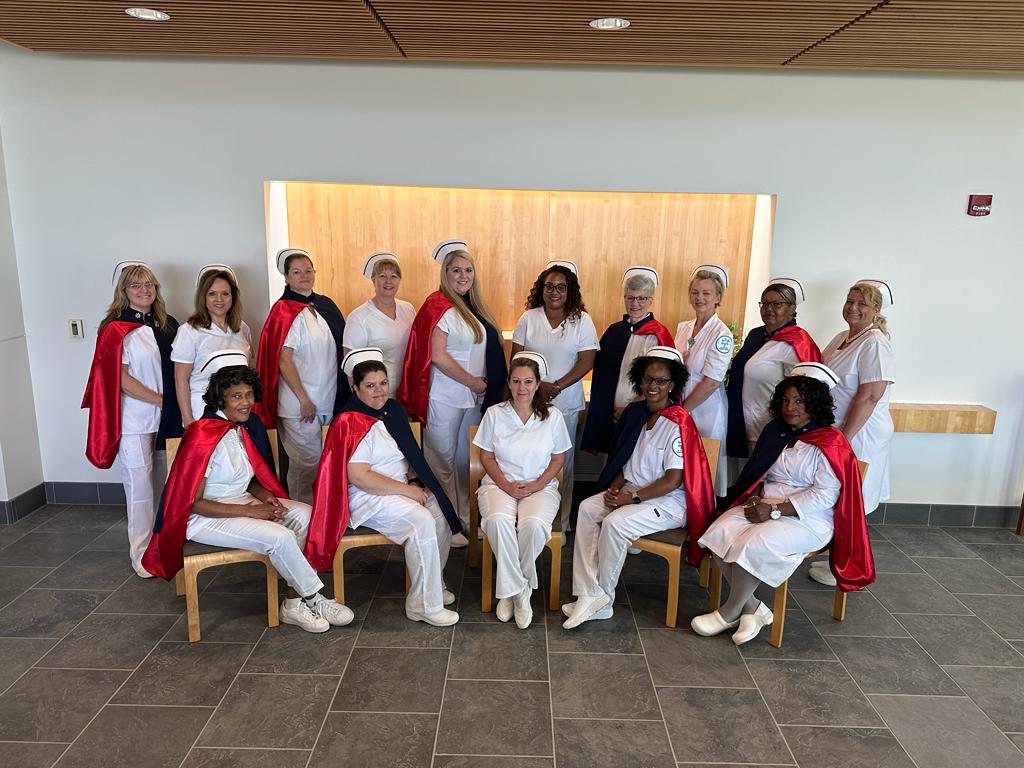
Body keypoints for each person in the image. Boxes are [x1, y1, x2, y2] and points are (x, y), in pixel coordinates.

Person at [141, 355, 354, 633]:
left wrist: (264, 495)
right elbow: (193, 503)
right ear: (221, 400)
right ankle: (315, 598)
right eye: (236, 396)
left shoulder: (241, 427)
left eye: (249, 394)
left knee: (305, 514)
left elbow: (247, 479)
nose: (245, 402)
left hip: (241, 500)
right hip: (205, 517)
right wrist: (253, 512)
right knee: (281, 536)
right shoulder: (202, 435)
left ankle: (292, 605)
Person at [693, 364, 875, 645]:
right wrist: (757, 495)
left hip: (811, 517)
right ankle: (752, 608)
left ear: (814, 404)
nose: (790, 407)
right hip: (767, 505)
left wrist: (776, 510)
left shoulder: (830, 442)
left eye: (799, 401)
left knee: (753, 543)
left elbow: (825, 495)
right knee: (719, 531)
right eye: (786, 400)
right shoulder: (777, 433)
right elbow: (762, 473)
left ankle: (728, 612)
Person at [564, 347, 715, 629]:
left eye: (660, 381)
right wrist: (615, 488)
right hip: (631, 490)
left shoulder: (677, 422)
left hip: (667, 500)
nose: (652, 386)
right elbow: (624, 459)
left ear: (673, 384)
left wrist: (630, 498)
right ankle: (588, 592)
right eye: (647, 379)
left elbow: (673, 480)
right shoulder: (636, 413)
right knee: (586, 508)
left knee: (615, 524)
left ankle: (604, 599)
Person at [309, 348, 462, 626]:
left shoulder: (392, 410)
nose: (379, 391)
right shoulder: (349, 421)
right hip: (367, 496)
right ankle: (423, 606)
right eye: (370, 386)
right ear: (355, 388)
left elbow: (408, 453)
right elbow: (359, 476)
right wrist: (408, 491)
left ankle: (432, 585)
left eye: (383, 383)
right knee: (421, 521)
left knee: (439, 513)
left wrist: (416, 482)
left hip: (399, 488)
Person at [397, 239, 507, 547]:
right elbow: (438, 355)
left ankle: (466, 517)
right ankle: (446, 524)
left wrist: (478, 386)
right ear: (445, 273)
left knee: (463, 461)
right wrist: (472, 380)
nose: (462, 275)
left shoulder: (474, 308)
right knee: (441, 462)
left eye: (468, 270)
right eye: (456, 270)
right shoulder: (438, 304)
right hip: (444, 397)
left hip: (472, 399)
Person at [82, 261, 182, 578]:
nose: (144, 290)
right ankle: (140, 555)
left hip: (167, 419)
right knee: (140, 488)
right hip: (136, 421)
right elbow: (118, 378)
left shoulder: (168, 325)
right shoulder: (115, 329)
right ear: (124, 292)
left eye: (149, 284)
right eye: (137, 285)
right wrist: (159, 399)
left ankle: (163, 545)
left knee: (165, 484)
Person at [475, 353, 572, 629]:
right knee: (496, 521)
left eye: (528, 381)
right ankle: (518, 590)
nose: (522, 388)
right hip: (498, 484)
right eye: (516, 381)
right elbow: (486, 457)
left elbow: (558, 459)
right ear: (508, 382)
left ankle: (512, 590)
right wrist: (506, 485)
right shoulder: (495, 414)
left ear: (538, 383)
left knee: (532, 524)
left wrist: (537, 485)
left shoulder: (552, 416)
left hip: (540, 487)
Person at [810, 280, 894, 586]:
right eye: (850, 301)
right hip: (836, 430)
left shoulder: (874, 343)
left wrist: (845, 436)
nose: (853, 308)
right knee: (837, 495)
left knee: (855, 499)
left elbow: (870, 395)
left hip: (860, 433)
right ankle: (839, 559)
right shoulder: (842, 337)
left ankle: (849, 566)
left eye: (862, 303)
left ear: (875, 310)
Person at [254, 248, 349, 504]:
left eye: (308, 270)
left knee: (326, 463)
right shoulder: (284, 310)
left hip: (328, 398)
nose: (304, 275)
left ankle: (324, 518)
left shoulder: (325, 305)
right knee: (306, 466)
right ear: (286, 277)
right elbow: (283, 359)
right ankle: (302, 521)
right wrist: (303, 399)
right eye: (296, 272)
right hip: (299, 405)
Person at [510, 261, 599, 530]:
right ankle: (530, 516)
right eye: (549, 286)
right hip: (529, 400)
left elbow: (586, 361)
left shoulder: (582, 320)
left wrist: (555, 386)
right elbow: (516, 357)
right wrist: (538, 387)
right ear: (541, 289)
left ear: (570, 290)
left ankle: (560, 522)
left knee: (563, 463)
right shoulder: (529, 318)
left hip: (565, 403)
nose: (555, 292)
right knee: (530, 458)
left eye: (561, 287)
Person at [579, 266, 674, 455]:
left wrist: (632, 409)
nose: (635, 303)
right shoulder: (614, 331)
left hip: (641, 411)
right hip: (611, 411)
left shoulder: (658, 335)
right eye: (630, 297)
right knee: (610, 461)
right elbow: (601, 374)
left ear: (650, 300)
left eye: (641, 298)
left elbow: (662, 382)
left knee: (634, 462)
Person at [725, 278, 820, 459]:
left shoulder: (797, 342)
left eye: (777, 304)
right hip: (742, 422)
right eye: (765, 303)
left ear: (792, 309)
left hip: (770, 426)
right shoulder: (756, 335)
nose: (769, 308)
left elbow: (805, 392)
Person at [675, 264, 733, 492]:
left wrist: (683, 410)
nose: (700, 298)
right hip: (681, 407)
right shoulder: (683, 327)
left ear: (718, 297)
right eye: (695, 292)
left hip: (705, 411)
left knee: (704, 472)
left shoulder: (722, 334)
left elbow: (711, 381)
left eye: (706, 293)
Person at [172, 265, 254, 426]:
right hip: (204, 414)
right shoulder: (189, 331)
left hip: (239, 413)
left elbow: (249, 374)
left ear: (233, 297)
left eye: (225, 294)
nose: (219, 300)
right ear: (203, 297)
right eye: (212, 294)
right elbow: (180, 380)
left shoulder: (243, 328)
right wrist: (188, 420)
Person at [342, 252, 416, 393]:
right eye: (382, 276)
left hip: (407, 392)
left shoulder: (408, 309)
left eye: (393, 276)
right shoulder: (359, 318)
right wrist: (362, 402)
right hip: (377, 396)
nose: (388, 281)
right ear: (373, 279)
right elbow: (351, 368)